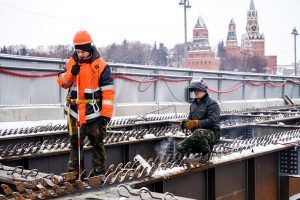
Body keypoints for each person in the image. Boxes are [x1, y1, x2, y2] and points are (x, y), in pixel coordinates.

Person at [57, 30, 115, 176]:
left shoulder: (101, 66)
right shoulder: (71, 63)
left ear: (89, 49)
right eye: (77, 51)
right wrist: (71, 73)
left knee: (97, 144)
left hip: (94, 115)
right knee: (75, 145)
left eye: (82, 51)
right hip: (75, 113)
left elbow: (108, 92)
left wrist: (106, 115)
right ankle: (74, 173)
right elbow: (62, 82)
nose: (80, 55)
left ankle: (99, 173)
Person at [177, 78, 220, 162]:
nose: (195, 92)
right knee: (180, 146)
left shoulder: (212, 104)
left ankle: (206, 153)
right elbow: (190, 119)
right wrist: (185, 123)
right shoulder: (193, 104)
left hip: (212, 133)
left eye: (198, 90)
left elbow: (213, 121)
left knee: (198, 133)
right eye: (194, 90)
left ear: (204, 90)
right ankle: (196, 151)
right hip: (197, 135)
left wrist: (196, 123)